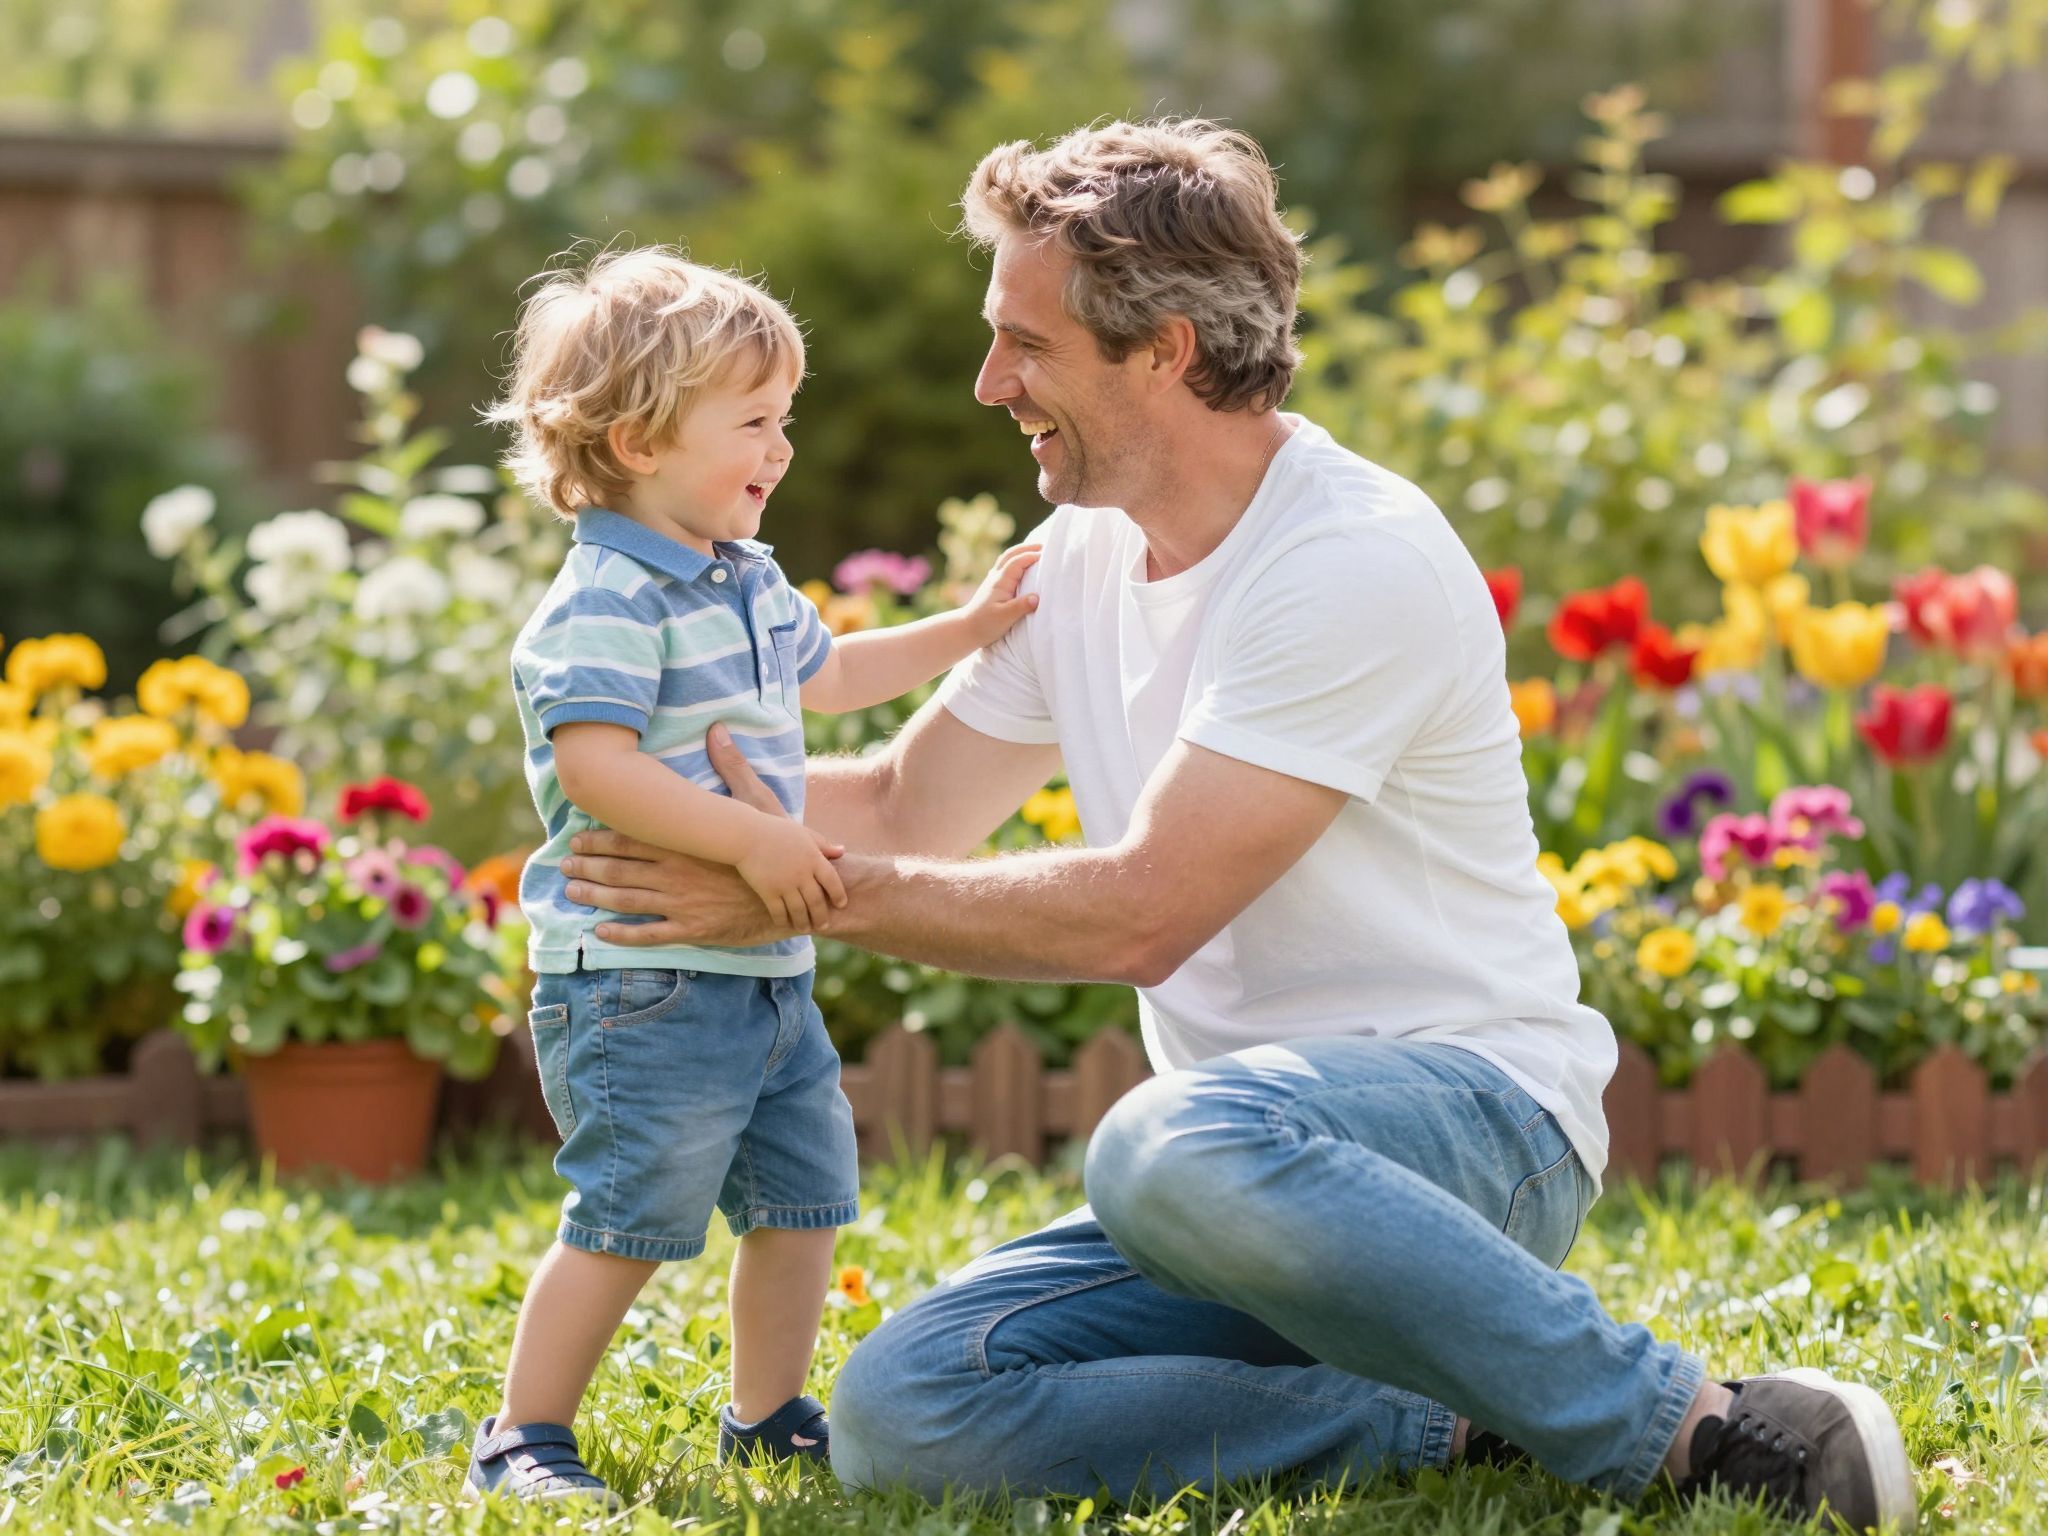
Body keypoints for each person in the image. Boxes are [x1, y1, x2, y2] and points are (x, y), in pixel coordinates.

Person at [552, 126, 1917, 1532]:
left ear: (1167, 349)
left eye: (1024, 345)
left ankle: (1709, 1432)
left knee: (1165, 1143)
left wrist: (789, 894)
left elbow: (1145, 911)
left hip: (1469, 1134)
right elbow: (908, 802)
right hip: (1228, 1190)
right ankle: (1464, 1423)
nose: (989, 384)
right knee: (909, 1407)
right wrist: (649, 810)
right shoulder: (1083, 554)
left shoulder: (1346, 560)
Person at [465, 247, 1040, 1505]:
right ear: (634, 441)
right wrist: (751, 839)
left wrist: (965, 631)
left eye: (784, 418)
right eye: (754, 422)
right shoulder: (607, 598)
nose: (781, 448)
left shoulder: (748, 580)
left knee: (805, 1202)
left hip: (763, 971)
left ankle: (767, 1414)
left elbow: (829, 679)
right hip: (639, 977)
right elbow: (598, 768)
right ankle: (522, 1432)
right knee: (630, 1214)